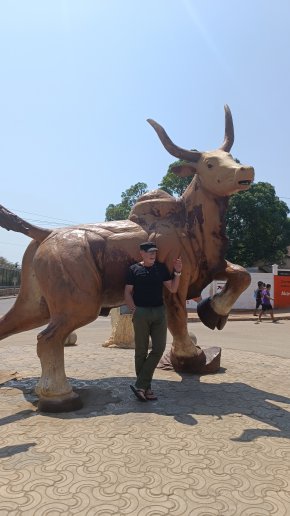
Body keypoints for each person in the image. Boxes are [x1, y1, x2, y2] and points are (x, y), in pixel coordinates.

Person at [124, 241, 182, 402]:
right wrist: (133, 309)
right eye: (149, 252)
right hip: (141, 312)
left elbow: (172, 288)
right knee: (141, 351)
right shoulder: (134, 269)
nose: (153, 255)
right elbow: (127, 292)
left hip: (159, 312)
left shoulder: (161, 268)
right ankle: (146, 389)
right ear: (141, 253)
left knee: (159, 348)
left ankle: (140, 385)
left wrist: (177, 273)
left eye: (154, 252)